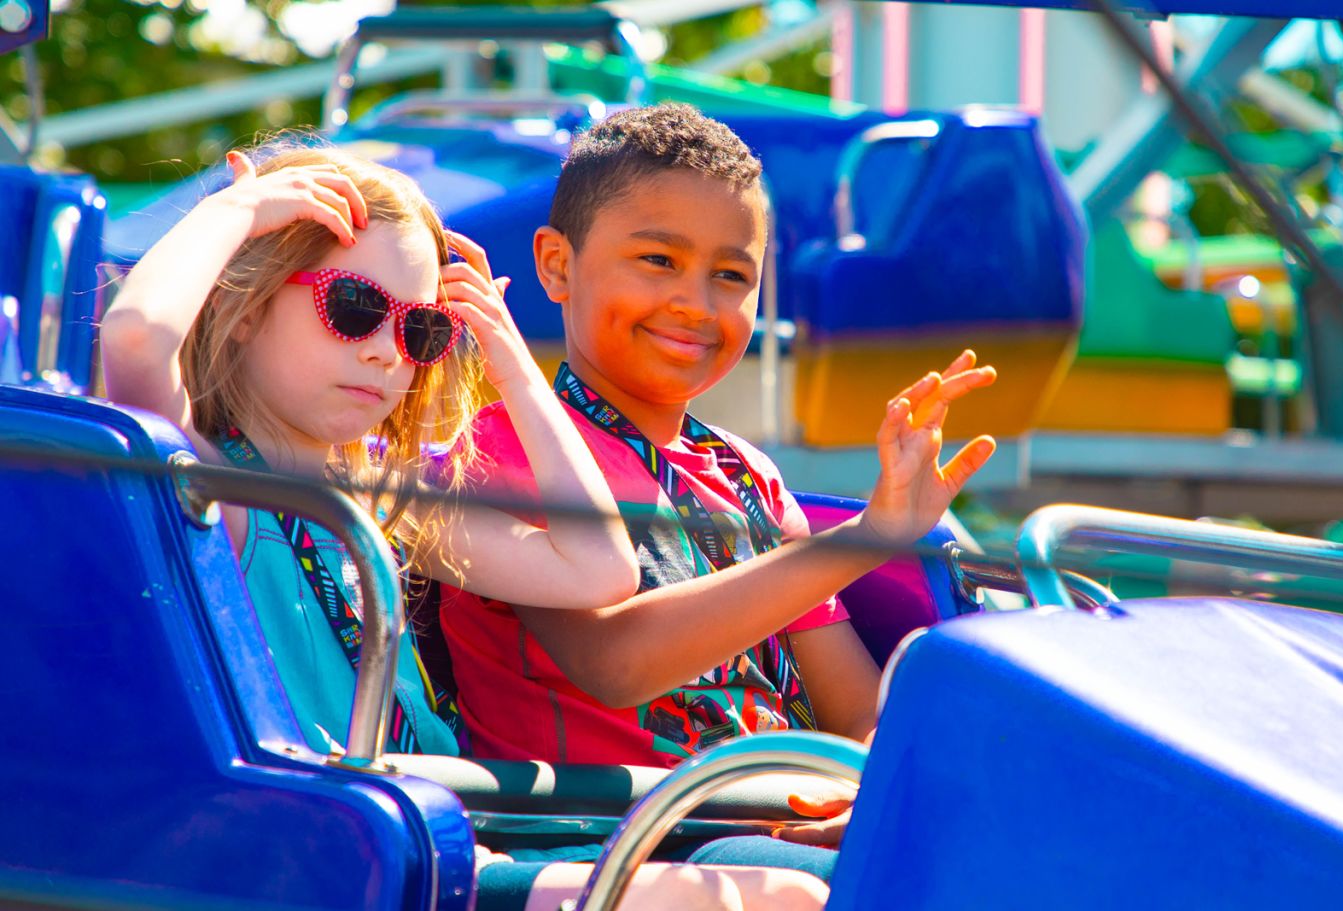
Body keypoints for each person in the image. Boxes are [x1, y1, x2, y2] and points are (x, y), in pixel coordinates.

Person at [100, 141, 828, 911]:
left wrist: (509, 358)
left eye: (420, 330)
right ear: (247, 309)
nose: (387, 353)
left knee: (788, 890)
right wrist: (239, 210)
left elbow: (599, 570)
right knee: (776, 896)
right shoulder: (215, 485)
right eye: (353, 308)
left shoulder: (392, 503)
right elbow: (138, 338)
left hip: (446, 846)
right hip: (330, 859)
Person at [439, 103, 997, 846]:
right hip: (617, 839)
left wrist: (859, 801)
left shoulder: (750, 480)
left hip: (781, 823)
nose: (696, 305)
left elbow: (855, 707)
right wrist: (867, 537)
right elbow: (615, 662)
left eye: (731, 276)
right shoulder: (503, 450)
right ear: (556, 265)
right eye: (659, 260)